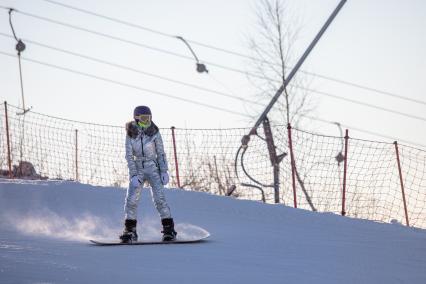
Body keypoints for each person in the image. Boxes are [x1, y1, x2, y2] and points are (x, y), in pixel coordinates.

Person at [120, 105, 177, 243]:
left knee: (159, 198)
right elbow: (129, 155)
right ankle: (130, 230)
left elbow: (161, 153)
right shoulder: (131, 134)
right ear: (137, 118)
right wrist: (133, 175)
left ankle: (169, 229)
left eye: (149, 118)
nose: (147, 121)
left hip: (153, 167)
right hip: (138, 167)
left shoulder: (154, 132)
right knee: (132, 199)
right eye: (144, 118)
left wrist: (163, 171)